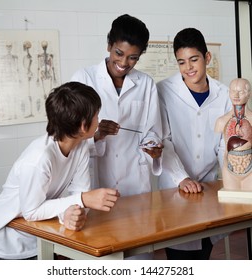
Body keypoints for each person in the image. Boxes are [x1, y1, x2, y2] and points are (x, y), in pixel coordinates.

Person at [0, 81, 119, 260]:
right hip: (4, 243)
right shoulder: (39, 159)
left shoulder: (79, 147)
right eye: (96, 115)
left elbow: (79, 195)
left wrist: (70, 214)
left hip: (39, 236)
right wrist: (83, 200)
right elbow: (31, 211)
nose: (99, 120)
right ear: (83, 125)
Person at [157, 27, 232, 259]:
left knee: (206, 248)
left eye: (193, 59)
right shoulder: (163, 91)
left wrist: (231, 179)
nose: (188, 68)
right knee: (179, 252)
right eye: (181, 62)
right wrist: (182, 177)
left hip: (208, 185)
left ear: (207, 57)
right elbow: (164, 140)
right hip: (174, 185)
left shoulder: (224, 93)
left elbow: (224, 142)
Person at [71, 14, 163, 198]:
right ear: (109, 46)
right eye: (119, 53)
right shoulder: (83, 79)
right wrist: (97, 135)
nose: (123, 63)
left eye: (133, 58)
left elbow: (153, 129)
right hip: (95, 178)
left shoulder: (146, 83)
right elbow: (70, 137)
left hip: (136, 180)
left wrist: (152, 146)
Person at [215, 78, 252, 191]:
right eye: (232, 91)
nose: (236, 95)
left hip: (250, 169)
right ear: (229, 93)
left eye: (241, 92)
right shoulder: (221, 121)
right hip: (229, 168)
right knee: (230, 205)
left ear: (249, 94)